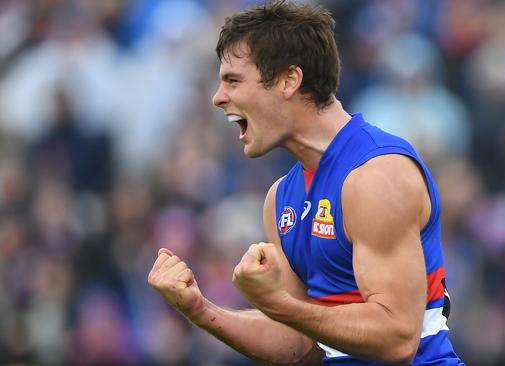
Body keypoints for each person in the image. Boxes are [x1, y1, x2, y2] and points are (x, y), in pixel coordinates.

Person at [147, 1, 464, 364]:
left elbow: (398, 338)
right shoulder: (281, 198)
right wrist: (200, 310)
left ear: (288, 80)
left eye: (233, 80)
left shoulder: (376, 174)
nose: (218, 98)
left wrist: (279, 304)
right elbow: (302, 346)